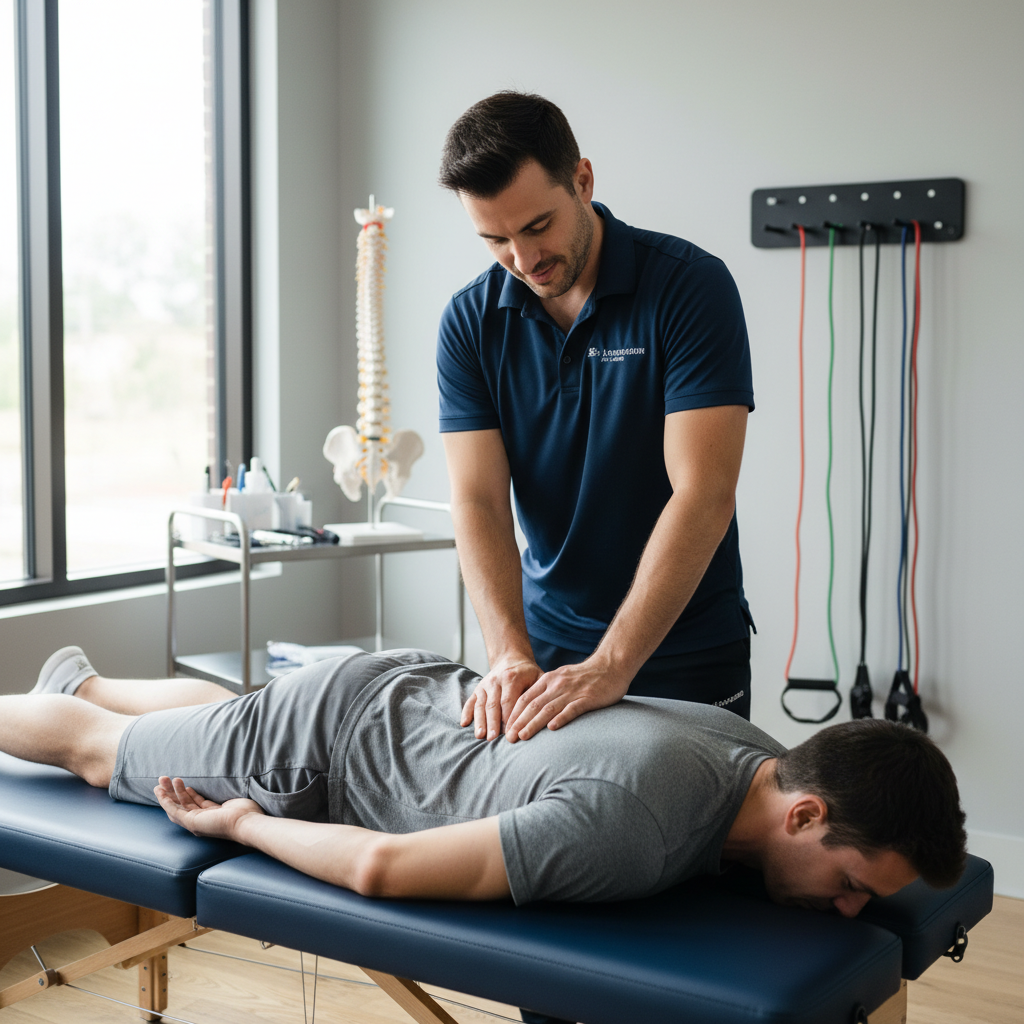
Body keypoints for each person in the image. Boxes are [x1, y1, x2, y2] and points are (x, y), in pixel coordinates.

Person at [3, 645, 967, 914]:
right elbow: (380, 868)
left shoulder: (747, 746)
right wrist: (247, 826)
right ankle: (72, 703)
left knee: (231, 717)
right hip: (328, 752)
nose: (849, 911)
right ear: (805, 810)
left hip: (409, 694)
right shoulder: (629, 826)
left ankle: (82, 676)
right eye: (851, 884)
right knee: (96, 750)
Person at [436, 91, 756, 749]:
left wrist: (613, 665)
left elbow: (703, 495)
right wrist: (506, 653)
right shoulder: (469, 322)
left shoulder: (690, 288)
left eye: (537, 227)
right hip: (548, 652)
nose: (523, 261)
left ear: (582, 180)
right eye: (495, 239)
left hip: (684, 647)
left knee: (700, 850)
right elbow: (478, 500)